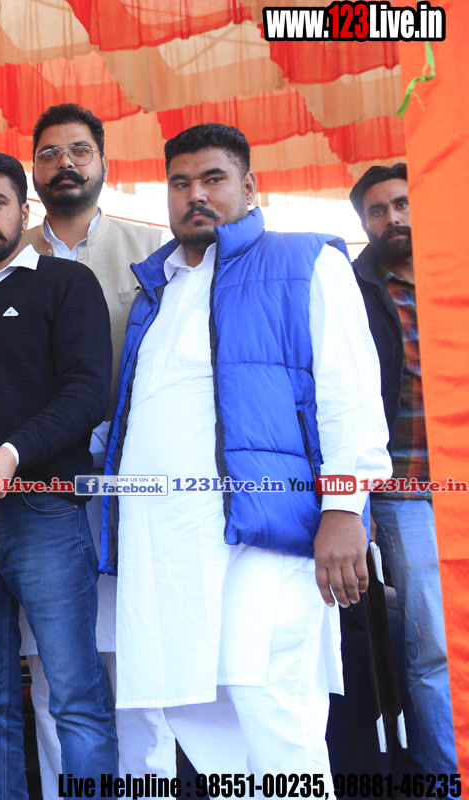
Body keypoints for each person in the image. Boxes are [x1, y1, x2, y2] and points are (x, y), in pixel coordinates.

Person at [100, 123, 391, 775]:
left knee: (273, 707)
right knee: (196, 714)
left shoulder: (303, 260)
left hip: (265, 534)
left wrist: (345, 507)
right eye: (180, 183)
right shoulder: (158, 288)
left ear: (250, 188)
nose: (195, 196)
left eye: (214, 179)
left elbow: (348, 390)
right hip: (167, 549)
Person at [0, 148, 117, 797]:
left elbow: (89, 392)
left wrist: (10, 454)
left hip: (43, 514)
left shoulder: (66, 283)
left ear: (24, 208)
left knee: (75, 698)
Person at [17, 103, 175, 786]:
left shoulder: (155, 253)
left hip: (134, 485)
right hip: (39, 486)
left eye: (79, 150)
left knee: (140, 663)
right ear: (32, 169)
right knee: (56, 667)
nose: (66, 164)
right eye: (49, 153)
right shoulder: (6, 255)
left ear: (104, 162)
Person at [350, 163, 456, 772]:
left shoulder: (455, 274)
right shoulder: (355, 288)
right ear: (365, 222)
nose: (393, 217)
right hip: (404, 489)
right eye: (378, 210)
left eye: (402, 203)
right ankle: (446, 778)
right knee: (434, 644)